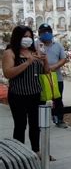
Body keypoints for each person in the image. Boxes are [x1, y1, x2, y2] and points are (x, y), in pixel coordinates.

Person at [2, 25, 49, 155]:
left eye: (30, 37)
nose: (27, 39)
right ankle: (19, 153)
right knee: (20, 125)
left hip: (35, 94)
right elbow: (8, 73)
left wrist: (45, 61)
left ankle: (36, 150)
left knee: (35, 125)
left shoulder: (34, 51)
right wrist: (27, 62)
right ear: (17, 38)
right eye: (24, 37)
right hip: (18, 95)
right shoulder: (10, 53)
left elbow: (46, 72)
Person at [36, 23, 68, 128]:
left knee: (58, 99)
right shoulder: (35, 45)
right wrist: (44, 66)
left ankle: (59, 119)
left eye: (48, 31)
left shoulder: (57, 45)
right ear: (39, 33)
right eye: (43, 32)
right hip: (40, 78)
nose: (46, 34)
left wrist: (54, 66)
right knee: (41, 99)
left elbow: (63, 59)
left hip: (56, 77)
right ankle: (41, 121)